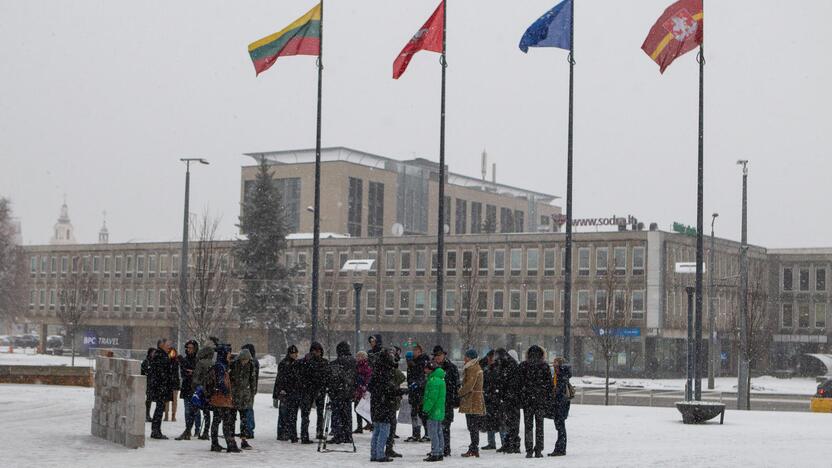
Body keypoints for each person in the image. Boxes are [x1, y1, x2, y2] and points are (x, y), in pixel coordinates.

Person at [368, 348, 404, 462]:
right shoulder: (385, 372)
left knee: (377, 430)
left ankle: (374, 454)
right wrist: (398, 391)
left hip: (376, 405)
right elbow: (388, 389)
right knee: (384, 430)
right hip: (385, 405)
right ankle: (380, 455)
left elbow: (371, 387)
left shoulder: (376, 370)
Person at [518, 345, 554, 458]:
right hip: (540, 401)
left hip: (528, 401)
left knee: (528, 426)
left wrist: (522, 396)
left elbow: (519, 384)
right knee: (539, 426)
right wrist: (547, 398)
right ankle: (538, 449)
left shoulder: (523, 365)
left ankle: (529, 449)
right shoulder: (544, 366)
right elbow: (549, 385)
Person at [208, 344, 240, 453]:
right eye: (228, 353)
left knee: (216, 421)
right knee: (227, 422)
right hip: (222, 400)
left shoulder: (220, 364)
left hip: (217, 399)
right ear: (224, 353)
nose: (230, 355)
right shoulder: (220, 366)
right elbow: (221, 382)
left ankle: (215, 443)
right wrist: (226, 392)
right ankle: (230, 444)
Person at [298, 342, 329, 444]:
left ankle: (317, 432)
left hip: (317, 389)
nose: (318, 353)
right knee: (306, 413)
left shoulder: (321, 362)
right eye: (316, 351)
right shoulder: (307, 361)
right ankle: (305, 435)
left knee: (318, 413)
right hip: (309, 390)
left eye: (319, 351)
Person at [432, 345, 459, 457]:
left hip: (446, 401)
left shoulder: (451, 367)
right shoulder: (432, 366)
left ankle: (445, 448)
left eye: (439, 355)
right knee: (435, 427)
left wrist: (455, 399)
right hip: (435, 401)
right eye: (435, 355)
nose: (437, 357)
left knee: (445, 427)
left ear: (444, 355)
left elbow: (456, 385)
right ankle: (437, 448)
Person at [328, 341, 357, 444]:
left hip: (337, 393)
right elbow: (355, 378)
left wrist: (331, 390)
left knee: (337, 415)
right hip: (348, 393)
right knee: (347, 415)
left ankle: (338, 435)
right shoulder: (354, 362)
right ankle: (347, 435)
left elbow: (332, 379)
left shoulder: (335, 364)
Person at [459, 349, 485, 458]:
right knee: (473, 426)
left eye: (466, 356)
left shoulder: (473, 368)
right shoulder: (472, 367)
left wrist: (459, 392)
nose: (464, 358)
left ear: (470, 358)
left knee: (473, 426)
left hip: (473, 401)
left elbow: (469, 385)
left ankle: (474, 448)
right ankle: (474, 447)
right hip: (473, 400)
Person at [494, 348, 521, 454]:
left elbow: (510, 382)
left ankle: (513, 444)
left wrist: (507, 394)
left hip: (511, 399)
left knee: (512, 422)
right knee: (508, 422)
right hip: (508, 398)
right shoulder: (505, 364)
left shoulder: (510, 365)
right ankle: (508, 443)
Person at [231, 347, 257, 450]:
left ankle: (243, 439)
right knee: (232, 419)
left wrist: (252, 394)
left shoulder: (251, 366)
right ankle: (231, 438)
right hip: (235, 396)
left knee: (244, 420)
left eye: (246, 360)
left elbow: (253, 381)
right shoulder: (234, 365)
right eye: (243, 360)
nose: (245, 362)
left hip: (245, 397)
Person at [148, 338, 174, 440]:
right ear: (161, 345)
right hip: (161, 387)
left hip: (160, 387)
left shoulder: (161, 355)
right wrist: (165, 383)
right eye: (167, 345)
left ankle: (156, 430)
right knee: (159, 410)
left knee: (159, 409)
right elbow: (161, 373)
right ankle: (156, 431)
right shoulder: (160, 356)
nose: (169, 347)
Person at [175, 340, 201, 440]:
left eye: (191, 348)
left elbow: (199, 372)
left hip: (195, 388)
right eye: (188, 348)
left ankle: (197, 430)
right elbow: (183, 373)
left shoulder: (198, 359)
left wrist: (193, 372)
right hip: (186, 387)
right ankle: (188, 429)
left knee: (196, 411)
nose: (189, 350)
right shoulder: (184, 359)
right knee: (187, 410)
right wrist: (187, 371)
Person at [274, 345, 300, 442]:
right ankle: (284, 433)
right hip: (287, 392)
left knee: (289, 414)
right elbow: (281, 378)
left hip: (291, 392)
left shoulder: (291, 363)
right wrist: (282, 390)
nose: (296, 355)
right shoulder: (286, 364)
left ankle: (287, 433)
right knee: (285, 414)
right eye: (294, 353)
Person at [422, 361, 446, 462]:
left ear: (430, 369)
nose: (424, 370)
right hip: (439, 410)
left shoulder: (433, 380)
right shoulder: (440, 379)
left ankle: (435, 453)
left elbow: (431, 398)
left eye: (426, 368)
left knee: (433, 433)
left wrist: (425, 409)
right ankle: (440, 452)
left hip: (433, 410)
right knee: (439, 432)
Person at [404, 345, 429, 442]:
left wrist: (416, 384)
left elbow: (423, 377)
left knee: (422, 414)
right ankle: (416, 433)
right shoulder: (412, 364)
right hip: (414, 392)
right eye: (414, 350)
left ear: (420, 351)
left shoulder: (422, 362)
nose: (414, 352)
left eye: (416, 350)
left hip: (420, 392)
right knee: (414, 413)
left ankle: (427, 434)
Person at [192, 339, 216, 440]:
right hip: (211, 390)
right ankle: (206, 431)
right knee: (207, 413)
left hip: (201, 390)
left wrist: (195, 387)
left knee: (196, 410)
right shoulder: (214, 363)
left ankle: (196, 430)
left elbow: (196, 378)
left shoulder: (201, 363)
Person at [385, 347, 406, 459]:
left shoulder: (381, 369)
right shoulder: (391, 370)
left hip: (384, 401)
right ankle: (388, 448)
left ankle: (384, 448)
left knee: (385, 426)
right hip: (391, 400)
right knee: (391, 425)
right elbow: (402, 377)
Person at [548, 357, 571, 457]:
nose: (553, 365)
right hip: (560, 404)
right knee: (560, 427)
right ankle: (560, 448)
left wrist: (553, 392)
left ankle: (560, 448)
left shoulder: (561, 375)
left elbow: (558, 390)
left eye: (555, 364)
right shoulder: (559, 375)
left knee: (560, 427)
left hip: (561, 404)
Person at [479, 350, 502, 451]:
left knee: (499, 421)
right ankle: (491, 442)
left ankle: (502, 442)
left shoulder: (497, 369)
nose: (489, 360)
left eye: (490, 358)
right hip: (489, 398)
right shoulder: (487, 368)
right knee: (490, 421)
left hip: (495, 398)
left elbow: (495, 383)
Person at [241, 343, 259, 439]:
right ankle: (249, 429)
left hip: (247, 389)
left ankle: (248, 429)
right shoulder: (255, 361)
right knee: (249, 409)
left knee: (247, 409)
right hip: (250, 389)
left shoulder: (251, 362)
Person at [353, 351, 373, 434]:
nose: (357, 358)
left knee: (361, 408)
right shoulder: (357, 366)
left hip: (363, 391)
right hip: (358, 390)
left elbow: (368, 378)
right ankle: (360, 426)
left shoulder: (366, 366)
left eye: (359, 356)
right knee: (357, 408)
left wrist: (364, 388)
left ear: (364, 357)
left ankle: (369, 423)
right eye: (357, 356)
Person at [164, 346, 181, 422]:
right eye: (171, 352)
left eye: (173, 352)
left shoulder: (176, 362)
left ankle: (173, 416)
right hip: (168, 383)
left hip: (174, 383)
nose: (172, 354)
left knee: (174, 401)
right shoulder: (167, 361)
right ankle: (166, 416)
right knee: (167, 400)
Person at [141, 348, 155, 422]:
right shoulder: (146, 361)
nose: (154, 354)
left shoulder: (154, 361)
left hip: (152, 383)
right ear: (150, 353)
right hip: (147, 383)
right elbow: (144, 371)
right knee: (147, 400)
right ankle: (146, 415)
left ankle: (147, 415)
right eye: (153, 353)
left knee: (149, 400)